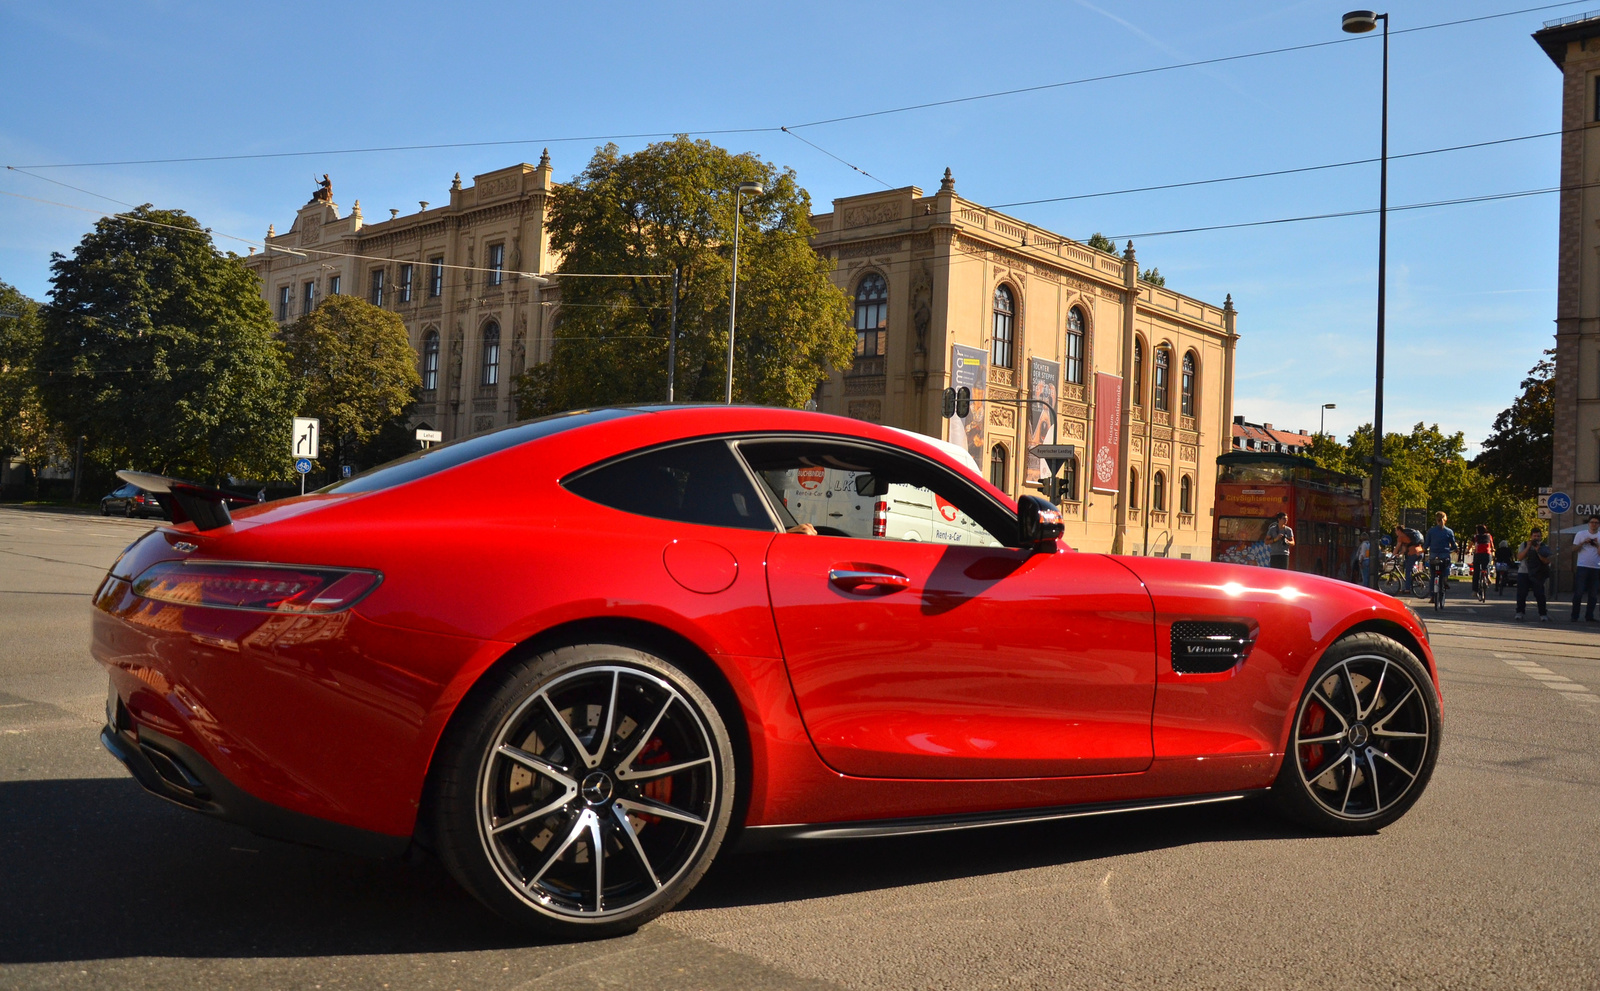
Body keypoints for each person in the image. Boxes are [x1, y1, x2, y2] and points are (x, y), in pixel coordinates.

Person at [1515, 527, 1554, 621]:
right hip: (1524, 572)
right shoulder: (1524, 545)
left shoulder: (1544, 547)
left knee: (1539, 594)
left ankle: (1543, 613)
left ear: (1541, 537)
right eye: (1534, 536)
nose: (1536, 538)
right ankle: (1519, 612)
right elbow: (1519, 557)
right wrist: (1528, 547)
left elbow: (1546, 561)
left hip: (1538, 573)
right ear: (1531, 537)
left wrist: (1538, 550)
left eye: (1538, 536)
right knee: (1521, 593)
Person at [1572, 514, 1600, 622]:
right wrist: (1584, 542)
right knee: (1579, 592)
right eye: (1592, 522)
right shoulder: (1581, 534)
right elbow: (1574, 549)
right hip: (1582, 566)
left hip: (1596, 567)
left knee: (1593, 594)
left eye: (1596, 523)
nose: (1594, 525)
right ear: (1588, 524)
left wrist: (1597, 545)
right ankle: (1574, 616)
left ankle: (1589, 616)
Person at [1423, 512, 1456, 602]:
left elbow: (1426, 544)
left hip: (1433, 555)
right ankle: (1444, 581)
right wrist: (1453, 549)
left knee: (1433, 575)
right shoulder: (1449, 531)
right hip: (1445, 555)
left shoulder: (1431, 531)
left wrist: (1424, 549)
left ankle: (1432, 595)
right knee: (1445, 569)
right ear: (1445, 519)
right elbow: (1453, 545)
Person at [1393, 524, 1423, 593]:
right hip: (1420, 552)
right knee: (1406, 564)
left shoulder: (1401, 536)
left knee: (1407, 570)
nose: (1395, 532)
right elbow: (1404, 550)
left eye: (1396, 530)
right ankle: (1416, 578)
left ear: (1399, 530)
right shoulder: (1407, 536)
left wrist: (1392, 557)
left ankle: (1407, 589)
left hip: (1413, 553)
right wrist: (1399, 554)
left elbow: (1397, 547)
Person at [1470, 524, 1494, 597]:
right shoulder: (1489, 536)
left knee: (1476, 572)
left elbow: (1470, 545)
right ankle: (1488, 576)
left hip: (1478, 555)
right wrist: (1492, 549)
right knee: (1486, 566)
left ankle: (1475, 591)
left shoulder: (1475, 537)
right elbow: (1492, 545)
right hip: (1487, 554)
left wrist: (1468, 550)